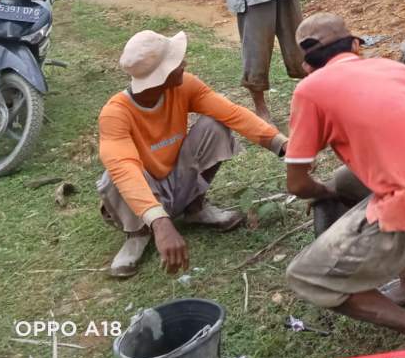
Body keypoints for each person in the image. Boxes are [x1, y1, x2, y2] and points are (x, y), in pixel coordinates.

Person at [283, 13, 405, 352]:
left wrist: (323, 193)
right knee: (346, 180)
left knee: (305, 276)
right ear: (356, 47)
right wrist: (337, 189)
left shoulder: (310, 90)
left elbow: (297, 183)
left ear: (306, 66)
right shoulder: (395, 68)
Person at [97, 30, 288, 278]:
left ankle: (195, 208)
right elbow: (124, 168)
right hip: (145, 193)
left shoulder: (186, 85)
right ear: (161, 76)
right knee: (114, 174)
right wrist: (160, 223)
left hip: (177, 179)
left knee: (216, 126)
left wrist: (282, 145)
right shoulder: (115, 114)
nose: (184, 64)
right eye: (177, 63)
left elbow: (232, 113)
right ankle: (138, 233)